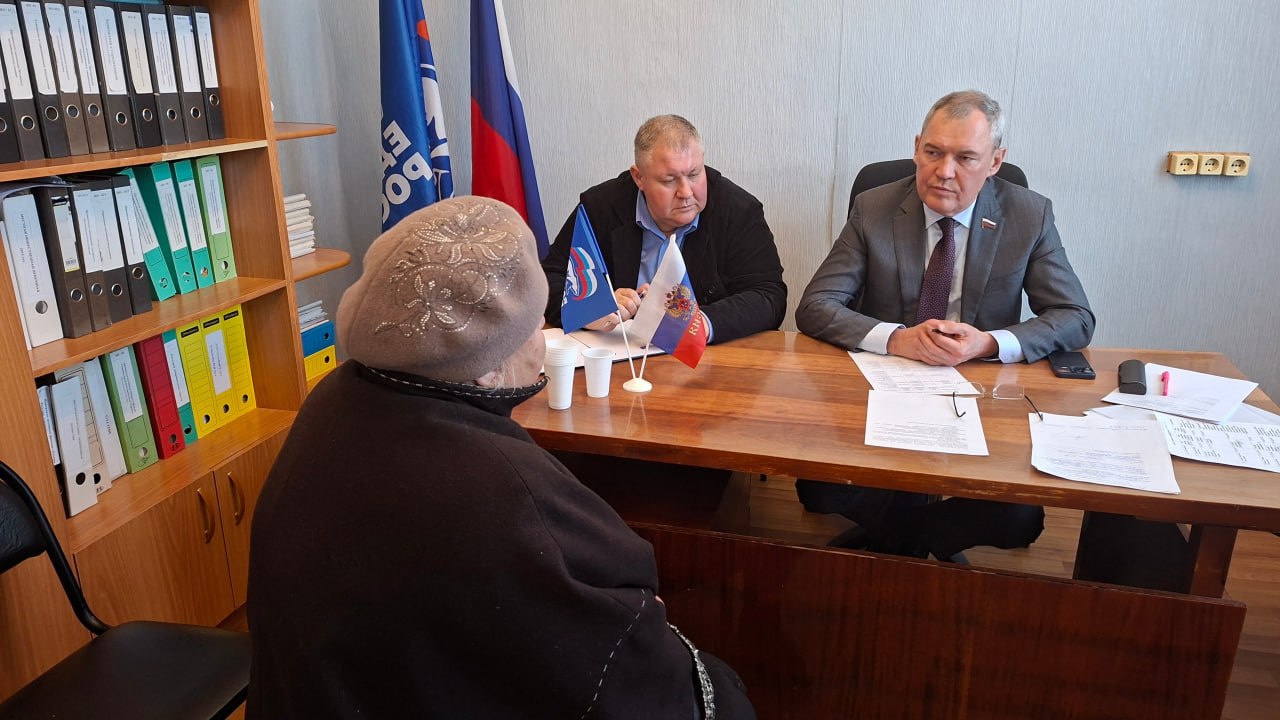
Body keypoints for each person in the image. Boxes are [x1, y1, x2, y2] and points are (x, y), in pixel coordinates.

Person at [247, 197, 755, 719]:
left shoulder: (333, 399)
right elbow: (620, 667)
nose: (544, 340)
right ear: (486, 368)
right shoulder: (498, 490)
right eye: (537, 324)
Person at [793, 90, 1095, 559]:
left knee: (1019, 518)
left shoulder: (1028, 215)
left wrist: (988, 343)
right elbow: (816, 305)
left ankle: (900, 539)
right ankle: (918, 541)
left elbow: (1075, 316)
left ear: (995, 162)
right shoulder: (874, 207)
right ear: (917, 147)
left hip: (981, 394)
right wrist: (896, 339)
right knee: (817, 486)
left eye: (965, 158)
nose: (944, 171)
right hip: (885, 386)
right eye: (933, 152)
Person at [542, 114, 786, 343]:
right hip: (619, 354)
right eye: (669, 180)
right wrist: (589, 309)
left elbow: (768, 296)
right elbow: (548, 278)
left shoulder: (738, 211)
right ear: (639, 178)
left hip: (706, 361)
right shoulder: (601, 207)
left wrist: (698, 324)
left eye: (694, 174)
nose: (686, 192)